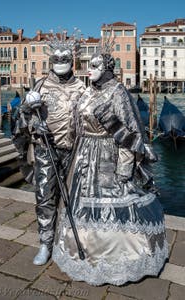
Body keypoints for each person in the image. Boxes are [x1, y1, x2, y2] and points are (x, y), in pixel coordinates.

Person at [52, 44, 168, 285]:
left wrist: (125, 168)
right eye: (88, 65)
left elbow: (130, 132)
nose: (89, 70)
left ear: (106, 68)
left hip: (108, 156)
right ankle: (79, 250)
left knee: (112, 206)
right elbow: (74, 123)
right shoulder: (88, 92)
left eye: (95, 66)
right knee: (79, 205)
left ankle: (115, 256)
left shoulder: (118, 93)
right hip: (83, 156)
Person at [12, 29, 85, 265]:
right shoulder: (40, 85)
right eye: (57, 59)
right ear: (51, 60)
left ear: (72, 60)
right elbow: (21, 116)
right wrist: (33, 122)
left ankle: (66, 241)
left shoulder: (82, 88)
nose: (61, 62)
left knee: (73, 197)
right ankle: (45, 243)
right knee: (45, 196)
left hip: (73, 152)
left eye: (65, 59)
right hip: (45, 150)